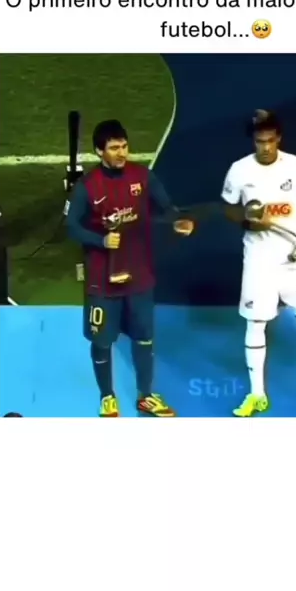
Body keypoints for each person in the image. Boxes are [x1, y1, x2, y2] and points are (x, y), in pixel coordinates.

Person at [66, 119, 194, 417]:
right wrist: (100, 240)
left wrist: (178, 221)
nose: (121, 152)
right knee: (102, 341)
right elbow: (72, 227)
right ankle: (107, 396)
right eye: (114, 148)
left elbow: (167, 208)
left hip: (138, 275)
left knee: (144, 337)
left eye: (124, 146)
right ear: (99, 151)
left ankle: (145, 396)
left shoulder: (143, 177)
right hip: (102, 280)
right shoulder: (87, 187)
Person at [221, 110, 296, 417]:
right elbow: (228, 208)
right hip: (259, 262)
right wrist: (247, 220)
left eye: (270, 141)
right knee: (255, 323)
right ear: (253, 141)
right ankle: (256, 395)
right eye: (260, 142)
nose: (265, 147)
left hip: (294, 262)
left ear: (279, 139)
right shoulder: (239, 171)